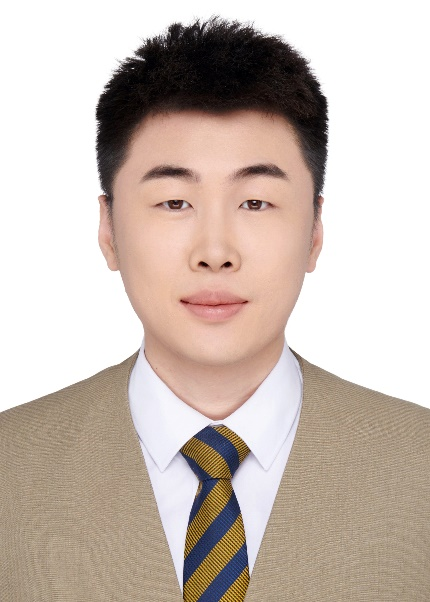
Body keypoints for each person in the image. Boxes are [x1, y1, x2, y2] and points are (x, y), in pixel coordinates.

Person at [1, 15, 429, 601]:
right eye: (175, 202)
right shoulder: (11, 465)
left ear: (314, 231)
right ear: (108, 229)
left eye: (255, 202)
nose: (215, 252)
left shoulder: (418, 463)